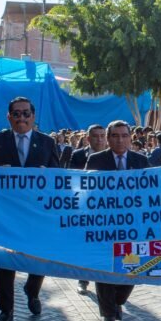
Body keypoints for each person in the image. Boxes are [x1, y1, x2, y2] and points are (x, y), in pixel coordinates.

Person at [0, 97, 60, 321]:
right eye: (16, 113)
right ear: (9, 117)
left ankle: (32, 290)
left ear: (33, 117)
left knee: (39, 258)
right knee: (5, 262)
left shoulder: (47, 142)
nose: (21, 118)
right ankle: (6, 309)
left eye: (26, 113)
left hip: (37, 214)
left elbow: (59, 177)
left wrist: (48, 175)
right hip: (6, 216)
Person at [85, 121, 149, 321]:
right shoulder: (96, 160)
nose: (120, 140)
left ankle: (117, 301)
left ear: (130, 138)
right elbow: (88, 193)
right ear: (108, 138)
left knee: (131, 270)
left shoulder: (141, 161)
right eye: (115, 136)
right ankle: (108, 314)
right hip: (104, 227)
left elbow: (152, 193)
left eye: (124, 135)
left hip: (133, 228)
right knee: (104, 271)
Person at [69, 124, 108, 295]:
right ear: (88, 138)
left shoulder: (113, 155)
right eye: (95, 136)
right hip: (86, 209)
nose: (99, 139)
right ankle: (83, 279)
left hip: (109, 212)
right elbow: (71, 180)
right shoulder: (78, 155)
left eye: (102, 135)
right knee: (86, 246)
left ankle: (107, 283)